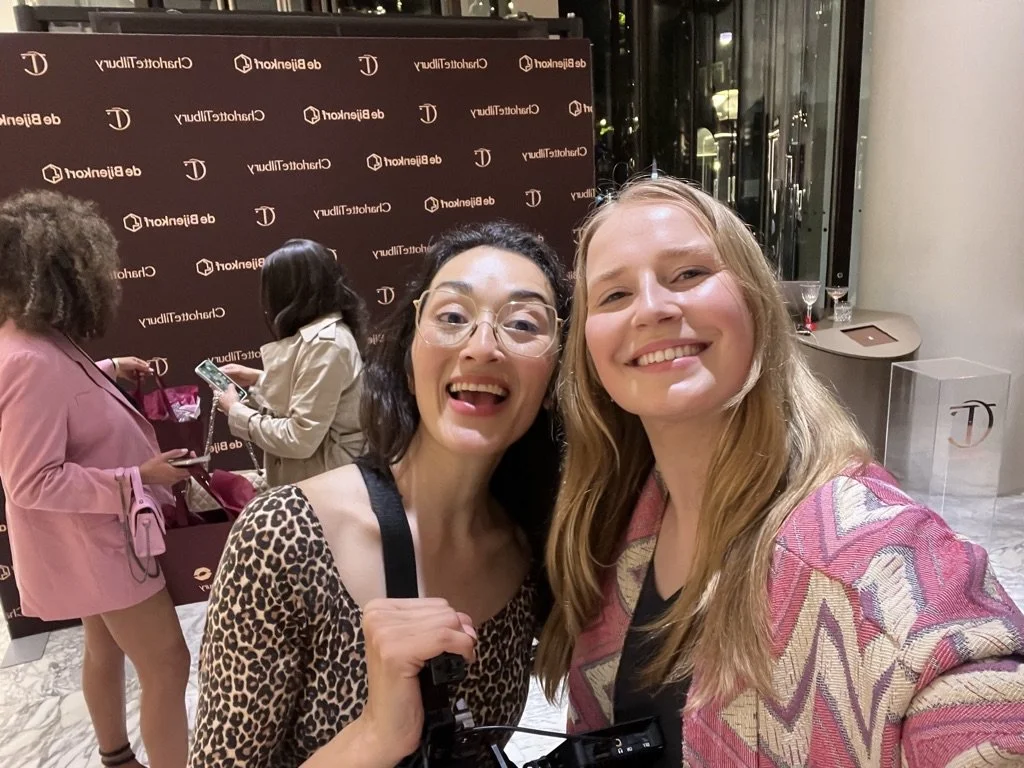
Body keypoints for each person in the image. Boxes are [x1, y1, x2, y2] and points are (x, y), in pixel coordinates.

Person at [535, 176, 1024, 766]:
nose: (653, 308)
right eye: (614, 295)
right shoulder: (616, 523)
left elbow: (977, 696)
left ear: (755, 301)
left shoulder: (871, 553)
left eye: (688, 273)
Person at [191, 220, 568, 767]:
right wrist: (374, 736)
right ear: (411, 358)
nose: (482, 346)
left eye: (523, 324)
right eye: (453, 317)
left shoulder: (532, 555)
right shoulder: (284, 537)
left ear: (555, 378)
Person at [0, 190, 192, 768]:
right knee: (168, 663)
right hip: (104, 547)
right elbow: (31, 481)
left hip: (94, 546)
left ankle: (116, 757)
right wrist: (137, 478)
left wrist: (107, 369)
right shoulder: (28, 357)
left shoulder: (36, 337)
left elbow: (62, 396)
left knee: (103, 647)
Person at [215, 238, 368, 487]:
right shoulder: (322, 338)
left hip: (327, 490)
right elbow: (316, 397)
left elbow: (299, 438)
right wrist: (259, 379)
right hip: (323, 485)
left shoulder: (326, 344)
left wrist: (236, 411)